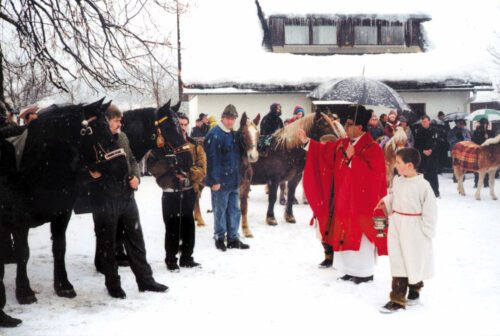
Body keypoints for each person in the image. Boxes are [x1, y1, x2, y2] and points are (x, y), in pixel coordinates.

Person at [299, 105, 387, 284]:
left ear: (360, 127)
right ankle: (349, 269)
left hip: (363, 202)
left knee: (361, 237)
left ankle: (364, 272)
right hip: (344, 200)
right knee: (345, 233)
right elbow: (325, 151)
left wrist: (354, 159)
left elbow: (375, 178)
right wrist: (307, 141)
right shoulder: (343, 144)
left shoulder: (373, 148)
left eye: (349, 124)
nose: (345, 128)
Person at [89, 104, 167, 299]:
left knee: (136, 239)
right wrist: (93, 173)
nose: (119, 123)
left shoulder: (122, 137)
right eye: (116, 120)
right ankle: (113, 285)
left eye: (119, 120)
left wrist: (136, 177)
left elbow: (132, 160)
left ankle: (146, 281)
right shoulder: (94, 141)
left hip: (127, 196)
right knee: (108, 243)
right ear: (106, 121)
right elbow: (88, 168)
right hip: (106, 199)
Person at [375, 148, 437, 313]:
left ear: (410, 165)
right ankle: (397, 299)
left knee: (413, 260)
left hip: (414, 228)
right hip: (397, 224)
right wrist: (386, 202)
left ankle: (415, 289)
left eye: (398, 163)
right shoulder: (398, 180)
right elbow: (396, 196)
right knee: (398, 261)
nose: (395, 165)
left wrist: (426, 231)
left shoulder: (423, 186)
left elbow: (430, 209)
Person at [148, 113, 206, 271]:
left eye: (185, 124)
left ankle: (187, 258)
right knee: (172, 227)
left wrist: (188, 171)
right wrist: (171, 167)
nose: (183, 127)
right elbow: (151, 166)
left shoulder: (195, 145)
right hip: (170, 192)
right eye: (180, 124)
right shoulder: (162, 146)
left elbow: (202, 169)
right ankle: (171, 260)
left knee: (188, 226)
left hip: (188, 191)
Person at [204, 104, 249, 251]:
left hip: (234, 180)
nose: (230, 122)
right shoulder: (214, 134)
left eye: (233, 119)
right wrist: (214, 181)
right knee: (220, 210)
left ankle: (233, 238)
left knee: (234, 210)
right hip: (221, 182)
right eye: (228, 118)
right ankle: (219, 237)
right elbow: (212, 160)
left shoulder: (234, 135)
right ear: (222, 118)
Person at [414, 115, 440, 197]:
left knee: (433, 173)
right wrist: (423, 151)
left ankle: (435, 191)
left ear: (429, 121)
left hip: (433, 155)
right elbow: (416, 144)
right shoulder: (418, 131)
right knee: (422, 173)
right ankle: (422, 192)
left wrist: (431, 150)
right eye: (422, 121)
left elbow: (438, 142)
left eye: (425, 121)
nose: (424, 123)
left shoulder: (434, 130)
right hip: (422, 155)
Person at [472, 118, 495, 188]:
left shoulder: (489, 132)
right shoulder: (476, 132)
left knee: (487, 167)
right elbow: (474, 141)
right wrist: (482, 137)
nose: (485, 125)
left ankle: (486, 182)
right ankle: (476, 182)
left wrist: (488, 138)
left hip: (487, 152)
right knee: (477, 167)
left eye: (486, 124)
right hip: (479, 152)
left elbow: (492, 141)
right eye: (484, 124)